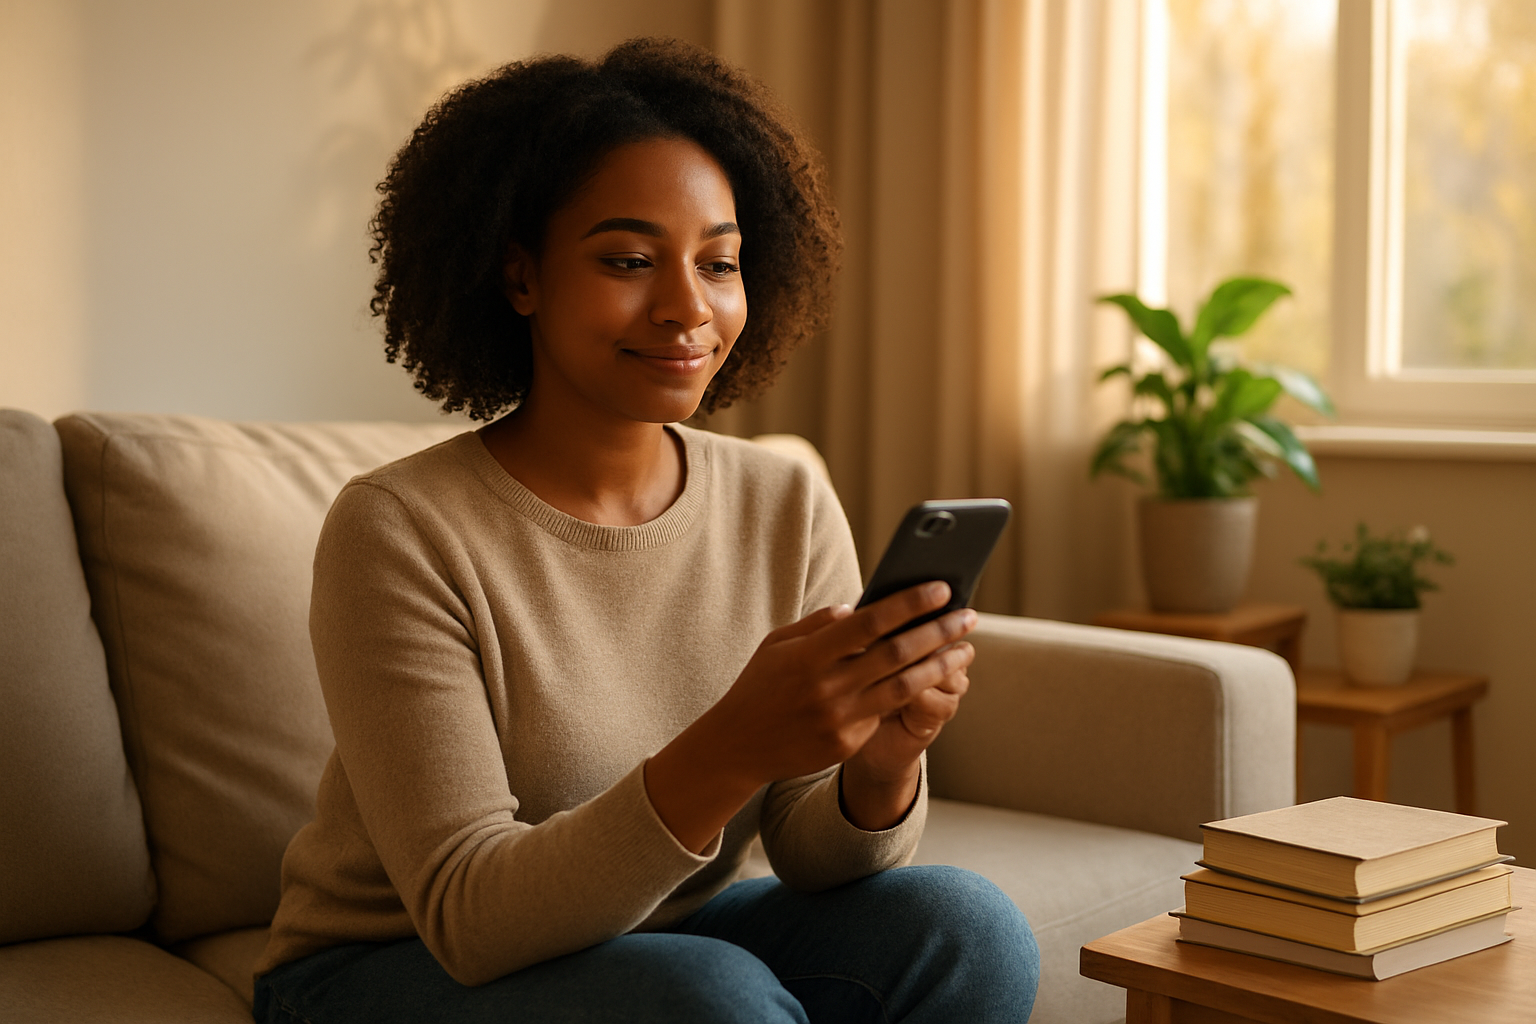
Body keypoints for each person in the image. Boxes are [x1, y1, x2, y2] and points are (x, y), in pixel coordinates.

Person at [252, 37, 1039, 1024]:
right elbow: (468, 915)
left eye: (719, 263)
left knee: (964, 924)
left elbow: (806, 846)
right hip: (386, 967)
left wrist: (881, 760)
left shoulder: (783, 503)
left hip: (651, 938)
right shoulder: (402, 529)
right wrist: (733, 742)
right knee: (713, 1000)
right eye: (628, 260)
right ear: (521, 276)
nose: (686, 309)